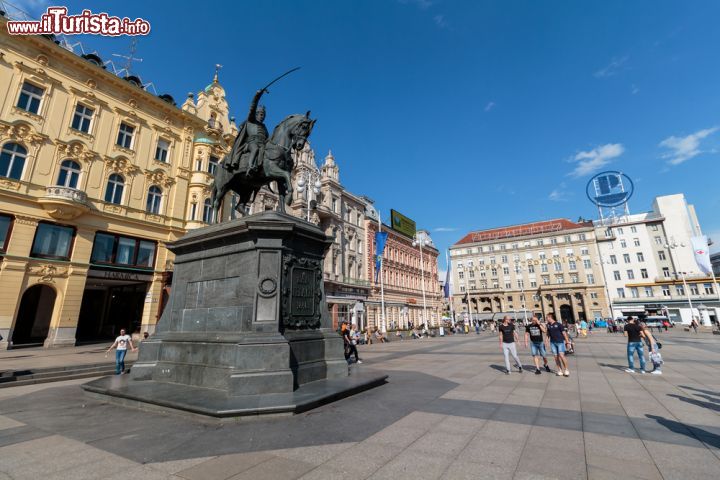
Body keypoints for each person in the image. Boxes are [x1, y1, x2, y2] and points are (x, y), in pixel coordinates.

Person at [224, 89, 269, 174]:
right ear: (256, 114)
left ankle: (261, 169)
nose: (263, 117)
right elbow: (253, 106)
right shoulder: (251, 120)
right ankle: (250, 167)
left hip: (262, 144)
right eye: (261, 114)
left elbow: (268, 138)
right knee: (255, 149)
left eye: (264, 115)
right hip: (251, 143)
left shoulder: (264, 127)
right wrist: (257, 95)